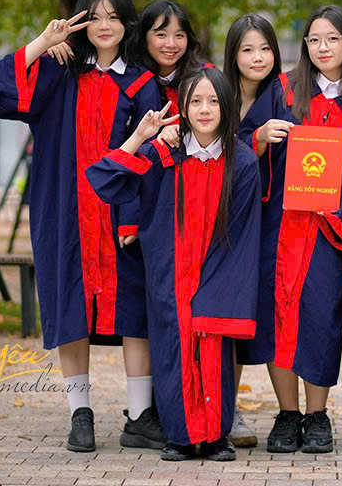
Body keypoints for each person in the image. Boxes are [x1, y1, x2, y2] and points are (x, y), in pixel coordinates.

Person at [0, 0, 164, 453]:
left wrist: (134, 218)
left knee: (135, 310)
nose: (105, 26)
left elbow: (150, 155)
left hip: (121, 217)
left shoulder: (142, 83)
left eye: (114, 17)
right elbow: (3, 92)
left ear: (127, 25)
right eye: (95, 17)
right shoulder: (57, 72)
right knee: (71, 309)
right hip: (63, 213)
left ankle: (139, 416)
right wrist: (43, 42)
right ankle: (79, 414)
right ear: (81, 22)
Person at [86, 67, 263, 461]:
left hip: (218, 272)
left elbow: (242, 233)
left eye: (213, 101)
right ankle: (179, 435)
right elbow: (104, 181)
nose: (205, 109)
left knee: (213, 347)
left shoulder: (243, 163)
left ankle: (216, 436)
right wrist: (140, 137)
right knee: (171, 349)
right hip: (168, 273)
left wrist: (217, 286)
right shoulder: (162, 155)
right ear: (182, 107)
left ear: (227, 105)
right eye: (195, 101)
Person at [238, 5, 342, 454]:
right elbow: (240, 143)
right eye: (314, 40)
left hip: (330, 231)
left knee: (320, 317)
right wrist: (258, 138)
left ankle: (317, 415)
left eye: (332, 39)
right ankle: (288, 413)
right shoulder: (283, 90)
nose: (322, 48)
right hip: (279, 226)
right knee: (278, 315)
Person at [220, 13, 284, 448]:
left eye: (264, 49)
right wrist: (255, 141)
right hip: (223, 221)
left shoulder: (284, 95)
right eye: (247, 49)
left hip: (269, 219)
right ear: (233, 54)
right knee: (228, 313)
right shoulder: (215, 94)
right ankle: (228, 409)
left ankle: (290, 411)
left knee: (268, 311)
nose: (257, 57)